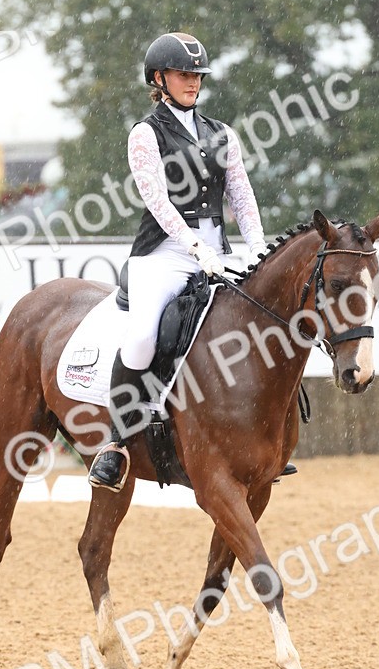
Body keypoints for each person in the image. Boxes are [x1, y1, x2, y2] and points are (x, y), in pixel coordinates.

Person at [87, 31, 268, 492]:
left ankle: (255, 441)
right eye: (184, 74)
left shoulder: (222, 132)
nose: (193, 82)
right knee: (146, 334)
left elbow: (242, 198)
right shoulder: (146, 134)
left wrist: (259, 248)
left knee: (258, 325)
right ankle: (115, 445)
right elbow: (158, 200)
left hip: (217, 253)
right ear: (159, 78)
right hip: (164, 254)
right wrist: (195, 249)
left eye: (197, 75)